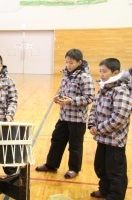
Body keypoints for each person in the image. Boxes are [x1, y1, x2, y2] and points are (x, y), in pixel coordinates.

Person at [35, 48, 95, 179]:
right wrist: (58, 97)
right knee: (57, 140)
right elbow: (63, 92)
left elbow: (90, 98)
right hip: (63, 117)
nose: (68, 65)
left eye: (71, 62)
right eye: (67, 62)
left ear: (79, 62)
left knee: (75, 146)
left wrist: (71, 101)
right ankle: (51, 164)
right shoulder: (66, 75)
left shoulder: (85, 77)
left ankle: (74, 169)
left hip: (77, 119)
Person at [88, 58, 132, 200]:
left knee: (115, 172)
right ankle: (105, 190)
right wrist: (91, 124)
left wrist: (99, 128)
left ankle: (115, 196)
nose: (101, 74)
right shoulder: (104, 87)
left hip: (114, 141)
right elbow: (94, 107)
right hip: (102, 138)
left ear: (115, 72)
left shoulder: (121, 91)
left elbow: (119, 118)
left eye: (105, 71)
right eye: (100, 71)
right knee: (101, 167)